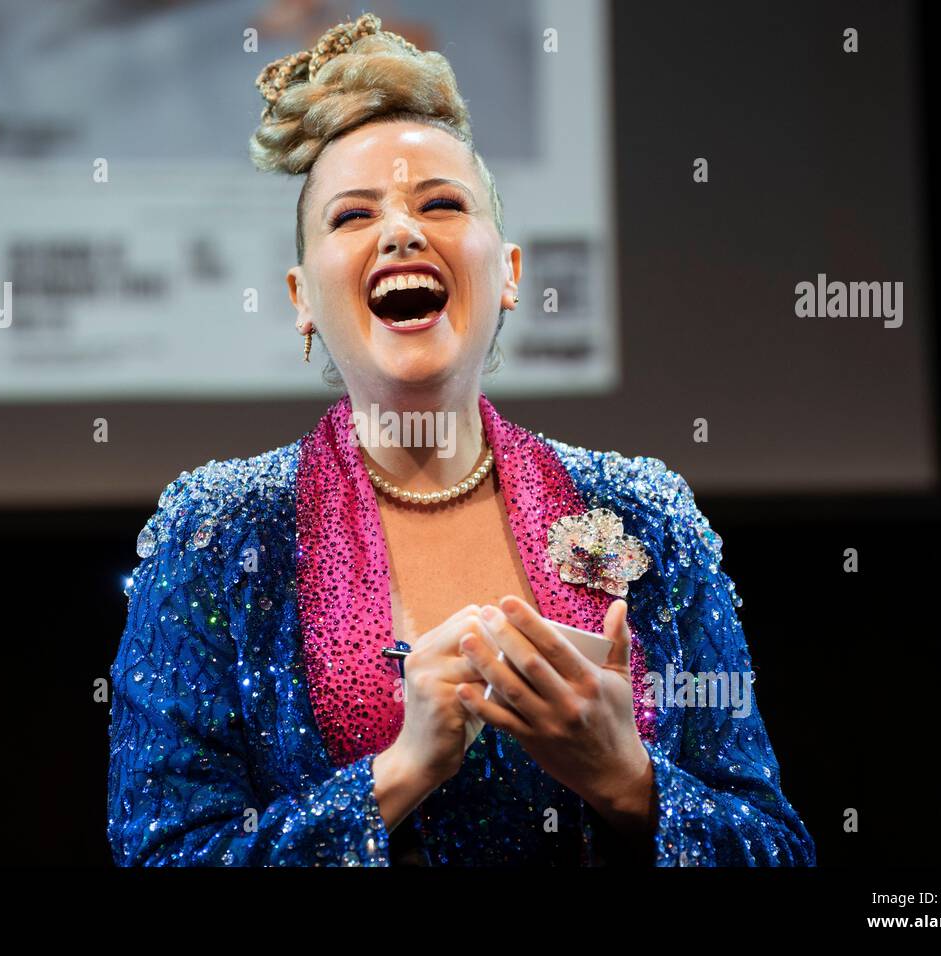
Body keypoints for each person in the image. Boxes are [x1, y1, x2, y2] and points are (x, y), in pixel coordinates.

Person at [106, 12, 815, 867]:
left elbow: (777, 849)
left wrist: (625, 777)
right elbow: (162, 854)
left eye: (441, 204)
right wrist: (401, 772)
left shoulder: (642, 517)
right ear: (299, 296)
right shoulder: (217, 532)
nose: (403, 232)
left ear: (509, 274)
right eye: (351, 217)